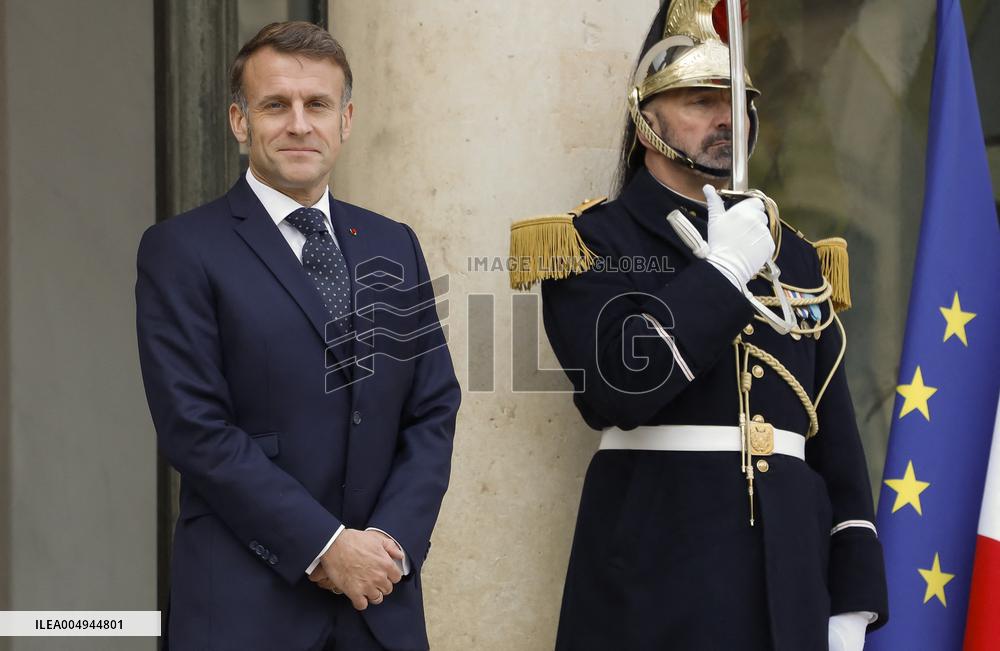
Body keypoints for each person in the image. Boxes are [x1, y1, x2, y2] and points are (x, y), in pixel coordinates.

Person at [510, 2, 888, 649]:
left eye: (736, 101)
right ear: (645, 116)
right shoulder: (593, 240)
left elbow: (836, 446)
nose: (724, 118)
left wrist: (850, 600)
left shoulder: (795, 253)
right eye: (697, 101)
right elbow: (616, 389)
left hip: (790, 586)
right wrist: (722, 272)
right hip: (658, 578)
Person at [136, 21, 460, 651]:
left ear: (346, 120)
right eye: (275, 105)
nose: (299, 124)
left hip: (379, 606)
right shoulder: (181, 249)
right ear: (239, 121)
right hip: (243, 608)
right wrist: (324, 546)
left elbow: (432, 407)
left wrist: (389, 544)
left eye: (318, 105)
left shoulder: (394, 243)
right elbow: (195, 428)